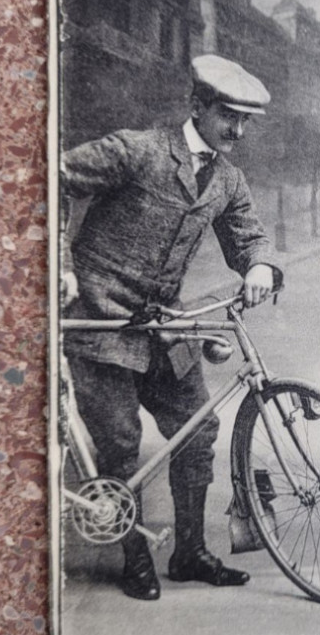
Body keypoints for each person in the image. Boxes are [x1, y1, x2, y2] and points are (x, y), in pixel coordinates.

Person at [61, 53, 281, 602]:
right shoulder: (138, 150)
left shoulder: (228, 179)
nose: (237, 130)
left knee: (198, 429)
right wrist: (59, 263)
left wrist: (258, 264)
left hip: (163, 324)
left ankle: (190, 553)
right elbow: (54, 177)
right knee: (119, 443)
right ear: (197, 106)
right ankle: (133, 554)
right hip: (100, 318)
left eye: (245, 120)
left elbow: (249, 237)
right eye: (228, 115)